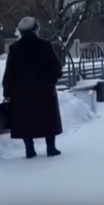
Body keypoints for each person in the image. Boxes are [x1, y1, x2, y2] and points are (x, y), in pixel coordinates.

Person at [2, 17, 63, 159]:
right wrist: (52, 81)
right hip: (44, 89)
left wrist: (7, 92)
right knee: (48, 117)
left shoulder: (15, 48)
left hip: (21, 92)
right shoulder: (45, 45)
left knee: (25, 119)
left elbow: (9, 72)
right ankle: (51, 148)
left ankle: (29, 149)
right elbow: (56, 67)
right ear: (36, 29)